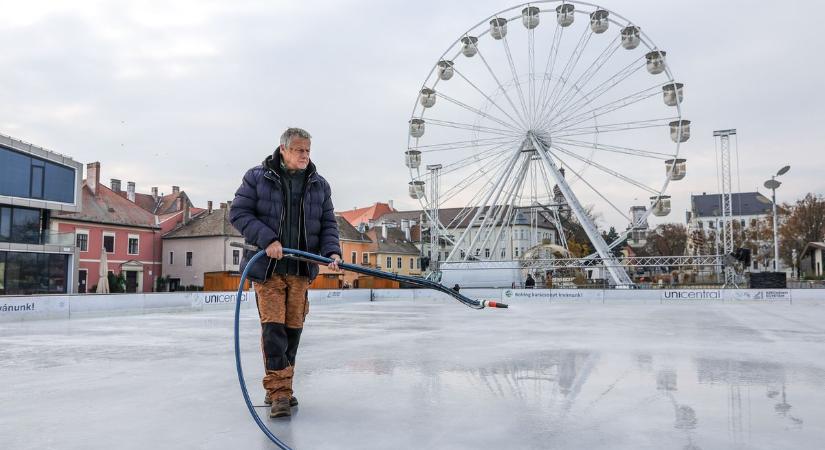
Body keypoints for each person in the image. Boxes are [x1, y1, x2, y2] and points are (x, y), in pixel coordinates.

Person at [230, 127, 342, 418]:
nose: (304, 155)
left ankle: (281, 387)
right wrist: (268, 240)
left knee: (293, 332)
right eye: (298, 150)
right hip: (267, 270)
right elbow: (239, 214)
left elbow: (328, 222)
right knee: (274, 332)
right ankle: (279, 394)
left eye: (307, 150)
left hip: (301, 270)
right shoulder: (257, 177)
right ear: (283, 150)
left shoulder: (319, 184)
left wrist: (332, 252)